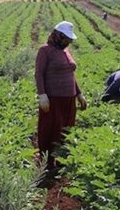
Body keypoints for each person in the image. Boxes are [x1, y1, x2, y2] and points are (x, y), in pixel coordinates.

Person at [35, 21, 87, 170]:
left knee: (66, 129)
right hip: (53, 98)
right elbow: (39, 73)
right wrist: (42, 94)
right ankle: (47, 160)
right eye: (66, 38)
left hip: (69, 98)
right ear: (58, 36)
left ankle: (62, 158)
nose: (68, 41)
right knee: (51, 128)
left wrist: (79, 94)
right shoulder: (45, 50)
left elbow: (71, 75)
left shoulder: (65, 51)